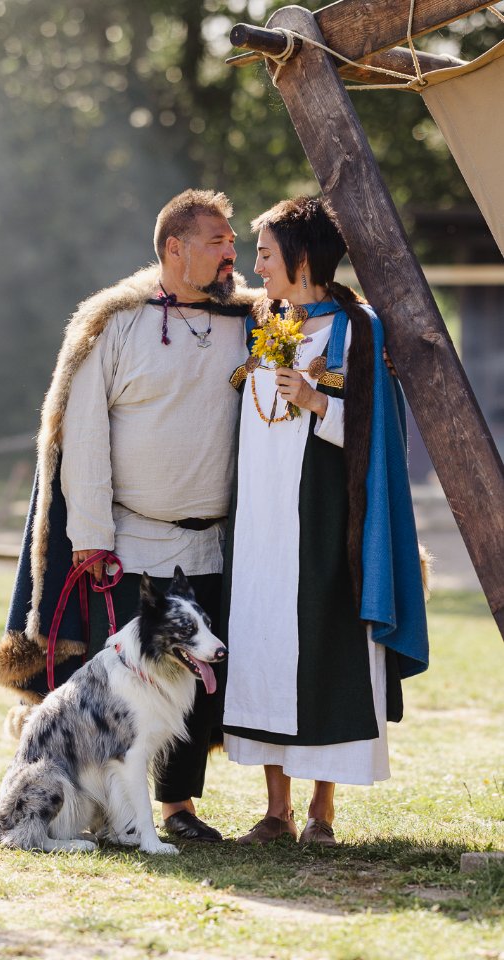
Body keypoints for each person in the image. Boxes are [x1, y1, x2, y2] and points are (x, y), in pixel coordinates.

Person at [0, 189, 256, 843]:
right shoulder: (116, 325)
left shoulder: (248, 322)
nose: (233, 251)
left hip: (209, 541)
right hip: (128, 541)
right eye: (218, 240)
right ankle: (96, 811)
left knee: (195, 679)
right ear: (175, 247)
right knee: (119, 689)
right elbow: (81, 435)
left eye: (233, 241)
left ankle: (177, 808)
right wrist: (91, 539)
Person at [222, 197, 429, 845]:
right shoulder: (262, 322)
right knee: (264, 645)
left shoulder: (357, 329)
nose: (256, 266)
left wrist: (316, 401)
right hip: (260, 522)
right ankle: (275, 811)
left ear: (302, 258)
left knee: (324, 645)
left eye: (265, 254)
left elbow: (377, 430)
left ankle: (321, 810)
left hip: (324, 518)